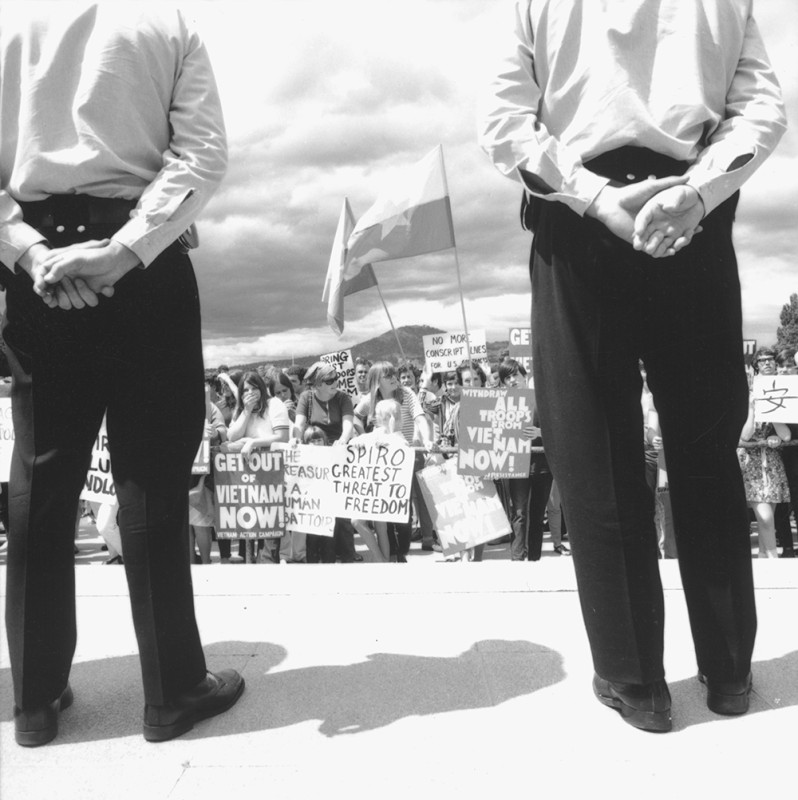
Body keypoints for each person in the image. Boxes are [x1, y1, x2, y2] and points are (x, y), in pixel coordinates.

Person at [479, 0, 786, 732]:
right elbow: (760, 110)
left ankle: (635, 681)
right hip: (691, 217)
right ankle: (730, 673)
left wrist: (596, 198)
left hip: (582, 215)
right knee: (706, 452)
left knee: (599, 459)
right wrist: (697, 190)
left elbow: (504, 123)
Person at [0, 5, 244, 746]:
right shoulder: (166, 23)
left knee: (40, 478)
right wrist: (125, 250)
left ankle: (35, 698)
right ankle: (170, 690)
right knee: (151, 479)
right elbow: (201, 156)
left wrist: (31, 254)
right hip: (145, 265)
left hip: (37, 268)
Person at [293, 361, 357, 563]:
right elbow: (299, 424)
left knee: (342, 511)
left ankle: (347, 554)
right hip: (315, 458)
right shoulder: (306, 397)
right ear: (318, 384)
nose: (335, 383)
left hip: (338, 456)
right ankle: (316, 555)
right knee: (315, 509)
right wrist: (295, 438)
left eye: (335, 378)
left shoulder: (343, 398)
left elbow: (348, 425)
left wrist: (343, 440)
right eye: (329, 380)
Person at [738, 349, 792, 558]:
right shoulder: (746, 392)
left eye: (771, 360)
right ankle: (773, 559)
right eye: (762, 361)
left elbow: (785, 435)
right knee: (765, 517)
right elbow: (745, 434)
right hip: (751, 464)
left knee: (766, 520)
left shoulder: (783, 391)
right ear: (756, 366)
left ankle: (763, 558)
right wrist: (753, 409)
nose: (767, 363)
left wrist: (774, 411)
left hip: (772, 464)